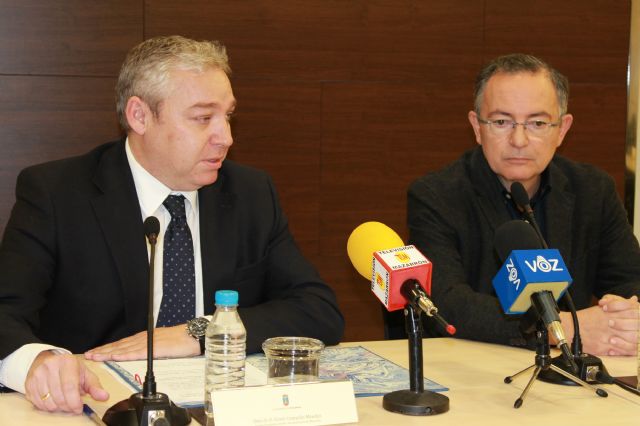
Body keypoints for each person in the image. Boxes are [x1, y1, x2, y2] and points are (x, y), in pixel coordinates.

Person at [0, 35, 344, 414]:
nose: (226, 138)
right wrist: (37, 361)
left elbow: (318, 309)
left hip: (218, 408)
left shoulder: (250, 193)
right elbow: (5, 311)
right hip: (96, 405)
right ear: (139, 116)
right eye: (203, 118)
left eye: (228, 116)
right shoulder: (57, 193)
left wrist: (199, 332)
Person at [401, 53, 639, 356]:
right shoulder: (436, 196)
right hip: (470, 367)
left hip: (568, 374)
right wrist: (561, 328)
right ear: (477, 127)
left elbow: (631, 282)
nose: (519, 140)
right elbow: (447, 303)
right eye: (502, 122)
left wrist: (625, 318)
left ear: (562, 129)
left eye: (537, 123)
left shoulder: (593, 190)